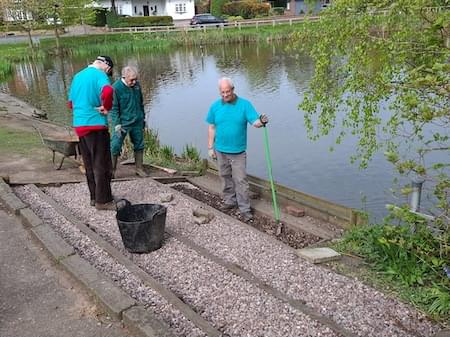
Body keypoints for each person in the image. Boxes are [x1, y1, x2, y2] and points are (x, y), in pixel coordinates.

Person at [206, 77, 269, 222]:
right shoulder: (215, 106)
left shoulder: (245, 105)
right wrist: (210, 147)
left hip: (238, 152)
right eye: (222, 92)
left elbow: (255, 122)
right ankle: (229, 201)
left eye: (227, 92)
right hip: (220, 150)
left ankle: (245, 209)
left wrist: (262, 120)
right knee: (224, 176)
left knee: (240, 180)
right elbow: (211, 127)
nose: (225, 95)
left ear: (233, 90)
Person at [67, 56, 116, 211]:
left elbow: (70, 103)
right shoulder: (99, 75)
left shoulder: (77, 76)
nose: (107, 75)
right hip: (95, 125)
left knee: (89, 163)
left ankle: (94, 197)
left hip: (80, 126)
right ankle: (104, 201)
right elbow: (108, 91)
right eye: (109, 73)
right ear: (106, 67)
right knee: (101, 163)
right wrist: (106, 107)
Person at [110, 66, 146, 177]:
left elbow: (140, 103)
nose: (134, 82)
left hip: (137, 121)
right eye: (132, 80)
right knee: (115, 145)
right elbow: (114, 108)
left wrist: (142, 118)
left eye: (136, 79)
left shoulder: (137, 86)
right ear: (124, 77)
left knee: (139, 144)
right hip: (123, 123)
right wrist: (117, 124)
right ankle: (112, 171)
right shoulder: (116, 88)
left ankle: (139, 169)